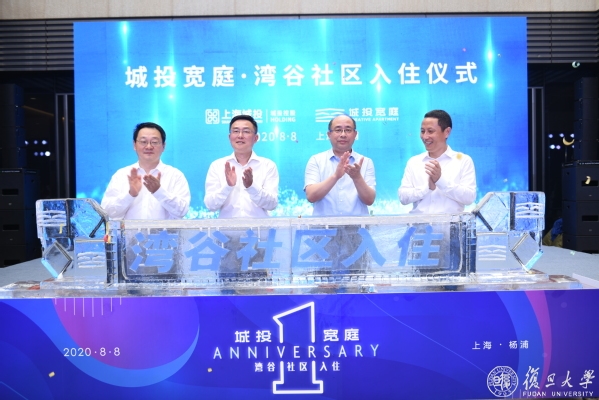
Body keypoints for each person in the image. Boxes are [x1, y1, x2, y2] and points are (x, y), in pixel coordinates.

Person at [101, 122, 191, 219]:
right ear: (134, 145)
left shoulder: (175, 176)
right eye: (143, 142)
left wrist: (159, 191)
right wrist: (130, 194)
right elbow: (107, 212)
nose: (149, 146)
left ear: (163, 146)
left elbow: (182, 211)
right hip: (129, 230)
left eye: (154, 142)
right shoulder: (121, 175)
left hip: (165, 230)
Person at [398, 110, 476, 214]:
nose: (425, 137)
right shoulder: (414, 162)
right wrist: (427, 188)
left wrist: (440, 180)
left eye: (430, 131)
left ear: (447, 132)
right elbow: (403, 197)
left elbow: (469, 198)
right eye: (422, 131)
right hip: (418, 223)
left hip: (450, 224)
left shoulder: (463, 161)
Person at [204, 115, 279, 218]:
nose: (240, 136)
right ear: (229, 137)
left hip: (259, 228)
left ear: (256, 138)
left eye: (246, 131)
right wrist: (228, 186)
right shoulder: (217, 166)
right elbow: (210, 205)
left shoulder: (268, 166)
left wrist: (251, 187)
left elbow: (272, 204)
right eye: (235, 131)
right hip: (226, 228)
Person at [304, 114, 376, 216]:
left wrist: (357, 178)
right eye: (338, 130)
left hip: (357, 225)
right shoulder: (316, 160)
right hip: (324, 225)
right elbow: (311, 196)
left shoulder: (365, 162)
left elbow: (369, 200)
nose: (343, 135)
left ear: (355, 134)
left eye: (348, 130)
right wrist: (335, 176)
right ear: (329, 134)